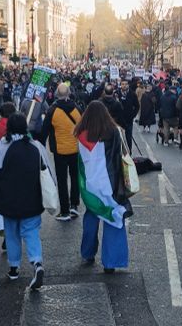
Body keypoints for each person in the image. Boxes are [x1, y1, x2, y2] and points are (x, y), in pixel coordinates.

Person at [0, 112, 50, 287]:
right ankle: (37, 262)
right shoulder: (36, 147)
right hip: (33, 198)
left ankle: (14, 268)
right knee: (31, 232)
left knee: (12, 233)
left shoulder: (1, 150)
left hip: (8, 200)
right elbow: (47, 172)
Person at [74, 100, 132, 273]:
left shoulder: (80, 134)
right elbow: (121, 157)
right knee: (114, 218)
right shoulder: (113, 132)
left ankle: (87, 252)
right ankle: (111, 262)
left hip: (90, 185)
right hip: (110, 183)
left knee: (91, 216)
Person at [40, 82, 82, 221]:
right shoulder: (77, 109)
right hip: (75, 149)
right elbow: (83, 128)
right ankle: (74, 205)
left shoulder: (52, 111)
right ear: (69, 93)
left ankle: (64, 211)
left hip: (59, 151)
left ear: (57, 94)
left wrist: (39, 147)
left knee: (62, 180)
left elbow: (44, 131)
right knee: (75, 177)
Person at [119, 80, 139, 152]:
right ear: (120, 85)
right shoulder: (117, 93)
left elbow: (137, 106)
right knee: (119, 138)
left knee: (128, 137)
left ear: (128, 85)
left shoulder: (132, 94)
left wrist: (132, 115)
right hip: (119, 121)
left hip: (128, 120)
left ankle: (129, 152)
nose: (124, 85)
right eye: (123, 84)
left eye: (126, 84)